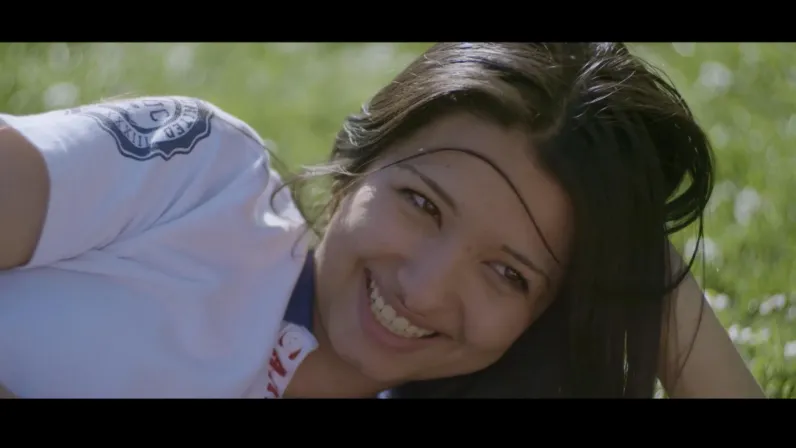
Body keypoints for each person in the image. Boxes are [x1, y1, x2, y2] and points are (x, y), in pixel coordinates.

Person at [0, 42, 764, 398]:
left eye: (508, 273)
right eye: (422, 204)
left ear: (542, 316)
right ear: (359, 160)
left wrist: (642, 269)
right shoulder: (200, 178)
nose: (424, 289)